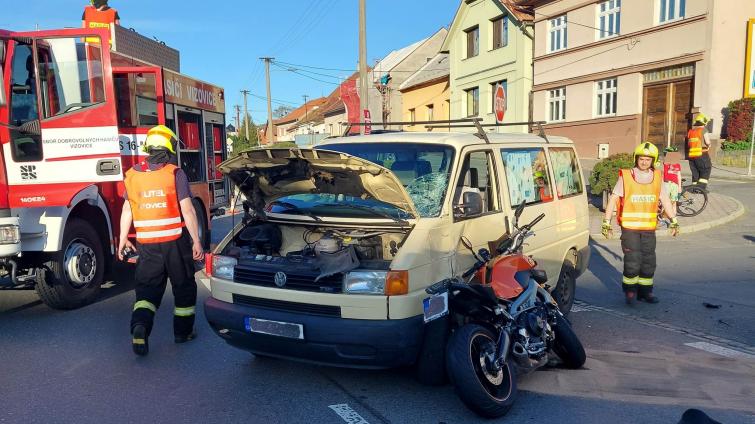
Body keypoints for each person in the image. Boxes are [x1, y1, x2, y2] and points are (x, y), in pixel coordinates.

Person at [118, 125, 204, 356]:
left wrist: (123, 239)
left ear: (148, 147)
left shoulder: (133, 175)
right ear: (169, 147)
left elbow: (128, 210)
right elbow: (188, 210)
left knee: (146, 292)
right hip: (175, 242)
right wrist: (196, 241)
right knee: (184, 287)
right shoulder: (174, 173)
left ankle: (141, 327)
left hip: (147, 244)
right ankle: (182, 333)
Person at [602, 142, 680, 305]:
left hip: (648, 228)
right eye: (641, 159)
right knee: (633, 260)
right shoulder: (627, 176)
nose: (644, 162)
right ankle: (630, 291)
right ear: (636, 159)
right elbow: (613, 198)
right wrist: (606, 222)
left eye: (648, 159)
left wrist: (673, 220)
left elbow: (664, 199)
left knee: (649, 261)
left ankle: (645, 292)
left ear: (653, 161)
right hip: (630, 228)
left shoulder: (657, 177)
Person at [686, 113, 712, 190]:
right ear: (704, 122)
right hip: (701, 155)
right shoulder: (703, 130)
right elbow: (707, 142)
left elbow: (689, 144)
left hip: (691, 156)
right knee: (705, 170)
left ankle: (694, 188)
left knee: (695, 172)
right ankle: (701, 189)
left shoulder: (690, 131)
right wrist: (709, 145)